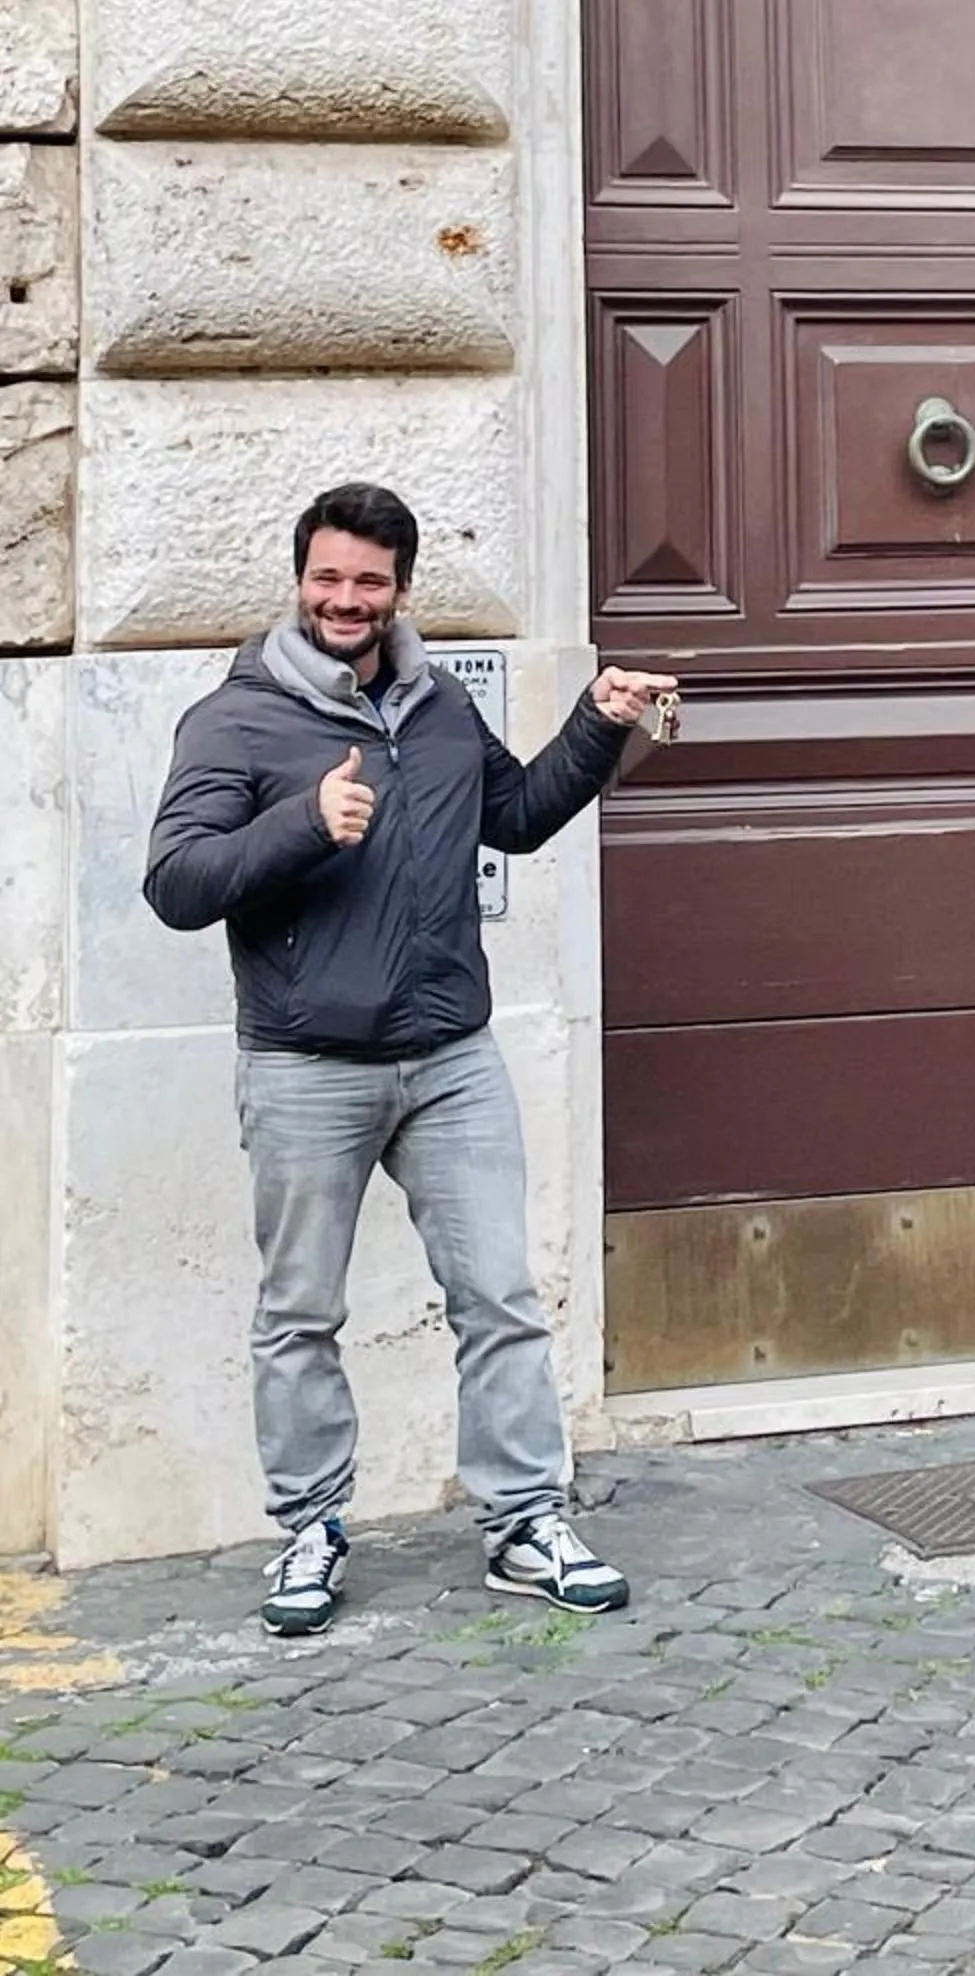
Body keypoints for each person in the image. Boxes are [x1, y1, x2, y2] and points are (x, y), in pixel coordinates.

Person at [143, 481, 676, 1640]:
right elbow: (176, 885)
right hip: (305, 1066)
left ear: (399, 590)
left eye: (369, 582)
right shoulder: (235, 721)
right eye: (329, 578)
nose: (347, 599)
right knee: (299, 1313)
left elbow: (519, 816)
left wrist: (597, 722)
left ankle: (525, 1522)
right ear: (300, 580)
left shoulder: (435, 708)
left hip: (449, 1059)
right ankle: (309, 1529)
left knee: (501, 1297)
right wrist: (298, 827)